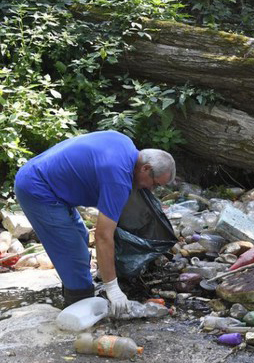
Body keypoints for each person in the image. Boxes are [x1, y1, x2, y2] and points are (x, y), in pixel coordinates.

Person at [14, 130, 176, 315]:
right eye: (154, 184)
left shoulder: (126, 145)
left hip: (49, 180)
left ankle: (75, 293)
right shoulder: (119, 178)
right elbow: (103, 236)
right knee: (72, 253)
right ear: (145, 168)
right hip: (38, 188)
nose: (152, 190)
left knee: (81, 237)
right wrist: (113, 288)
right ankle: (79, 310)